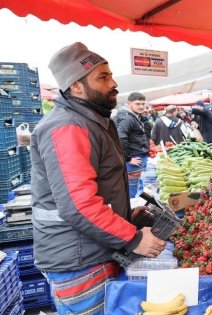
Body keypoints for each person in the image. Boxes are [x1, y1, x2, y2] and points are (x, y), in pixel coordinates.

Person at [30, 42, 166, 315]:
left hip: (91, 250)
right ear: (76, 86)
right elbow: (78, 204)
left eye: (110, 75)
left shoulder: (92, 121)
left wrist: (126, 215)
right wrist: (132, 237)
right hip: (78, 259)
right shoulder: (68, 127)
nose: (113, 83)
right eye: (103, 77)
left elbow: (95, 187)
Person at [112, 92, 150, 198]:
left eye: (143, 104)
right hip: (133, 162)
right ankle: (134, 212)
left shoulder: (131, 116)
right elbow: (120, 136)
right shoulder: (127, 118)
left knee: (136, 189)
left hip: (135, 160)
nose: (141, 106)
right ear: (129, 104)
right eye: (138, 104)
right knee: (133, 193)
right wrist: (128, 159)